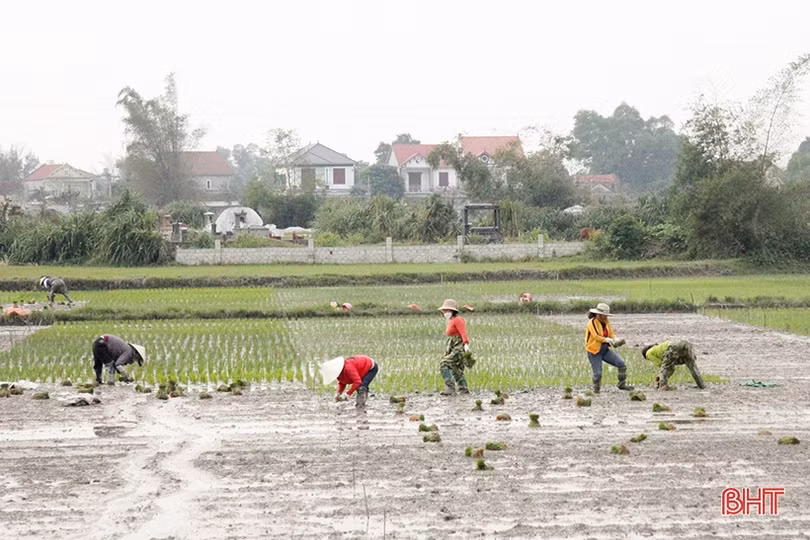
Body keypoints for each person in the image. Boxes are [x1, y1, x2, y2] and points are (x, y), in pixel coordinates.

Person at [585, 302, 633, 394]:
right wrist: (609, 340)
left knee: (621, 364)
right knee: (598, 373)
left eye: (606, 315)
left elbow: (611, 333)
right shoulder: (592, 323)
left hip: (604, 350)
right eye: (603, 315)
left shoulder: (606, 322)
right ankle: (596, 390)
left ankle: (621, 384)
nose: (605, 317)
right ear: (598, 314)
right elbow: (596, 336)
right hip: (594, 351)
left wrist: (616, 339)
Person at [438, 299, 471, 396]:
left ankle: (450, 388)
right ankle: (463, 389)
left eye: (447, 310)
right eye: (444, 311)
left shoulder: (458, 320)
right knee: (455, 367)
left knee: (444, 363)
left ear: (452, 311)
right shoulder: (451, 321)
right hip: (452, 346)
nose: (445, 312)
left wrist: (466, 345)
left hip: (459, 347)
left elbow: (463, 333)